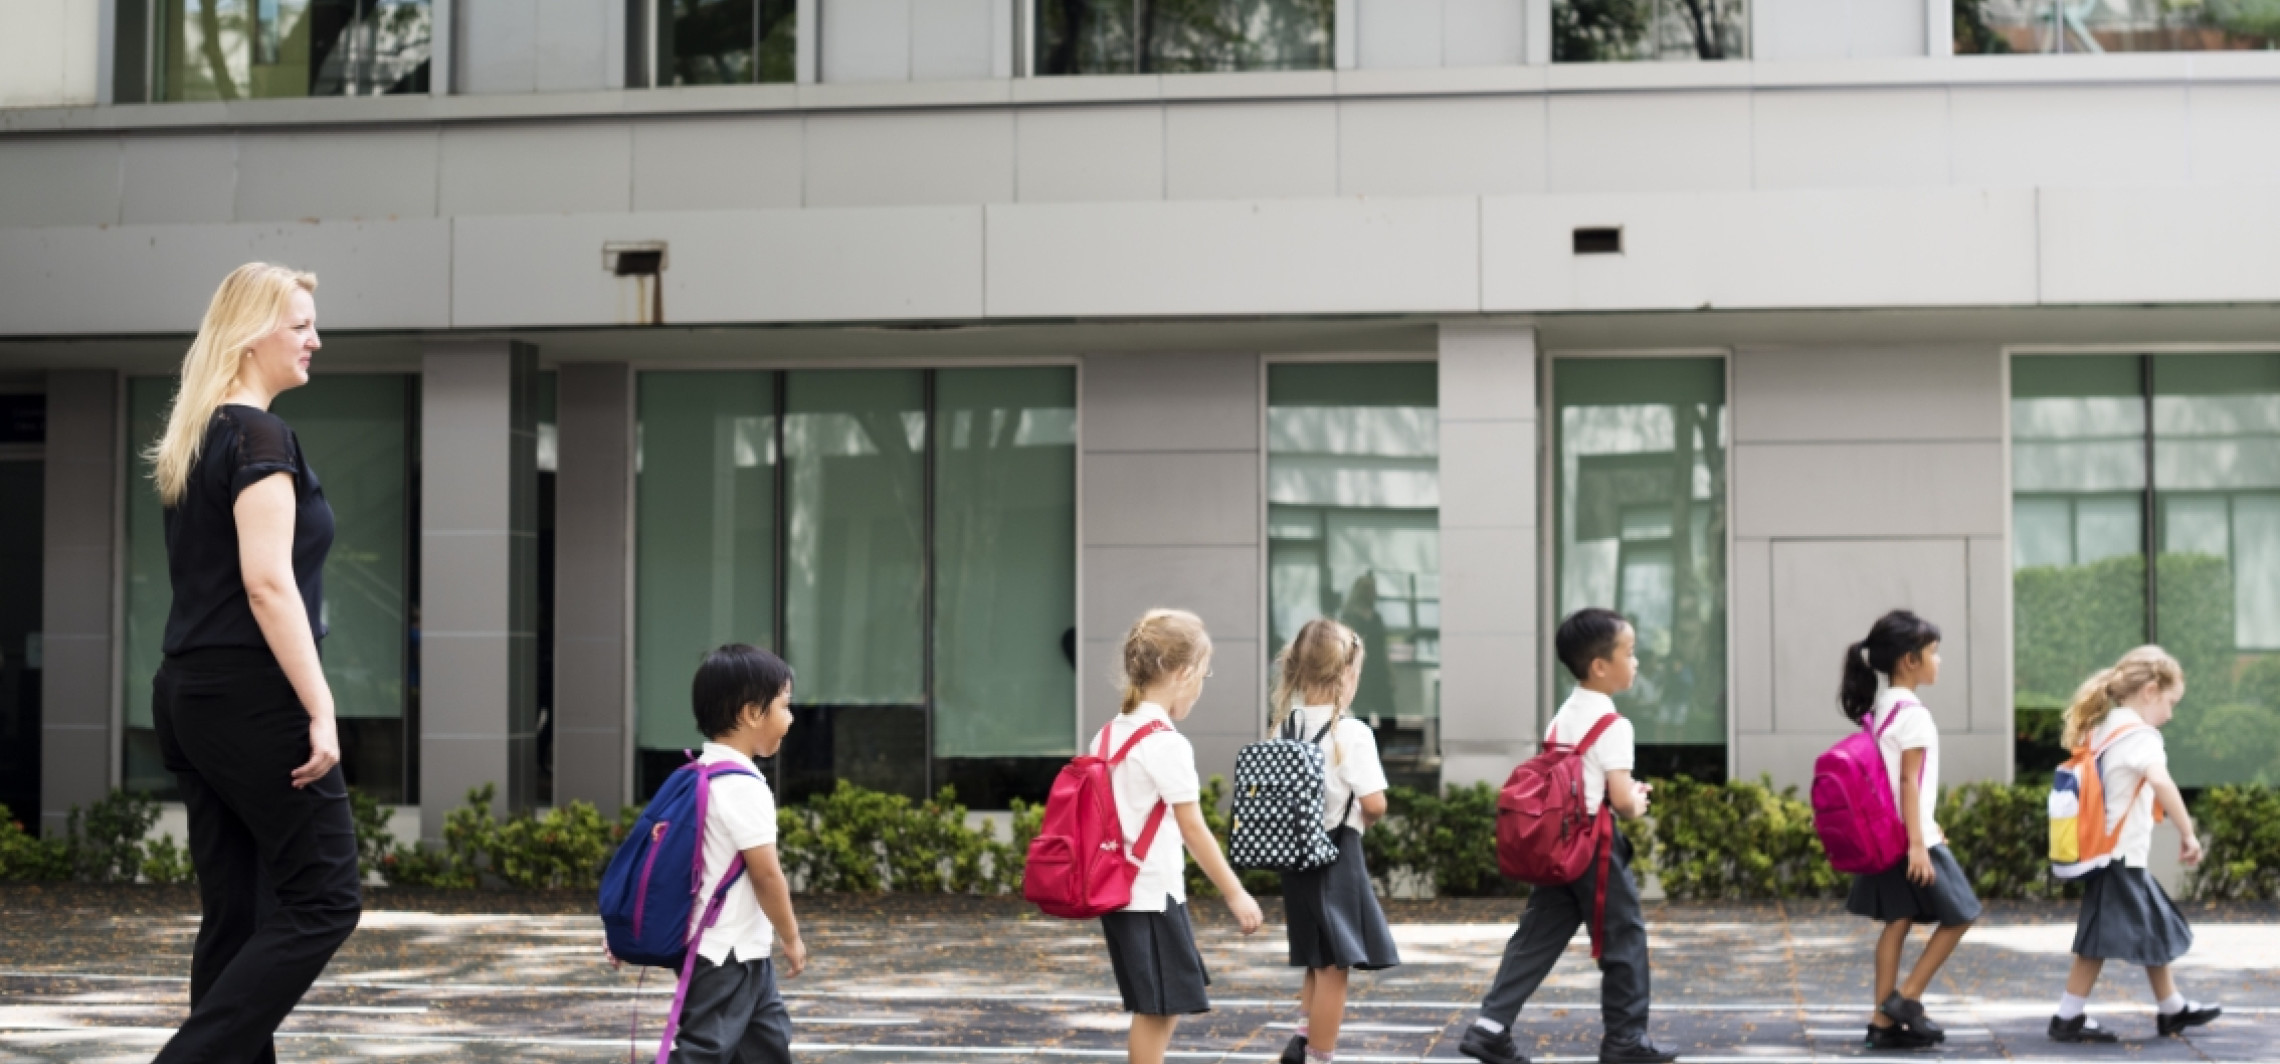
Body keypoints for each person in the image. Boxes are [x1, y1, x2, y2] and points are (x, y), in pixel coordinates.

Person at [146, 263, 362, 1063]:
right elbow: (269, 585)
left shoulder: (200, 437)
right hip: (251, 698)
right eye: (300, 323)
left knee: (238, 913)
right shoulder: (260, 437)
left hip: (190, 697)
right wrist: (321, 707)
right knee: (326, 899)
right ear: (250, 334)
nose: (316, 338)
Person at [1460, 608, 1677, 1064]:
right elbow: (1619, 800)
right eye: (1630, 653)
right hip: (1593, 842)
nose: (1635, 662)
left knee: (1537, 935)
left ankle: (1490, 1026)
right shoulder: (1615, 725)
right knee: (1624, 935)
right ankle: (1625, 1039)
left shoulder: (1565, 715)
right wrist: (1638, 800)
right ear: (1601, 665)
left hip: (1556, 841)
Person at [1096, 609, 1265, 1064]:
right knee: (1158, 1008)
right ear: (1182, 673)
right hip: (1149, 893)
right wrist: (1236, 893)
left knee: (1162, 1005)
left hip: (1121, 890)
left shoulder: (1109, 734)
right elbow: (1193, 827)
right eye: (1203, 674)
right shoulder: (1165, 742)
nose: (1202, 686)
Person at [2047, 646, 2220, 1044]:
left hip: (2110, 855)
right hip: (2119, 856)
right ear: (2151, 690)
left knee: (2151, 927)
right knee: (2098, 941)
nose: (2171, 714)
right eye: (2170, 703)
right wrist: (2188, 831)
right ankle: (2068, 1017)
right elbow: (2160, 781)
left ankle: (2171, 1008)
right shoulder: (2141, 735)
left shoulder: (2106, 728)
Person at [1838, 609, 1979, 1050]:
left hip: (1886, 834)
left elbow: (1895, 778)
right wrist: (1920, 843)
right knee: (1962, 913)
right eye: (1933, 653)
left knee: (1898, 921)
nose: (1939, 661)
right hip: (1909, 839)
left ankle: (1882, 1023)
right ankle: (1907, 999)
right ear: (1908, 661)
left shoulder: (1881, 708)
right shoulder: (1913, 712)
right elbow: (1907, 781)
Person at [1269, 618, 1401, 1064]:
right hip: (1336, 854)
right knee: (1334, 968)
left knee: (1315, 956)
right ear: (1346, 674)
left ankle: (1303, 1040)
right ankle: (1318, 1056)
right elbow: (1375, 803)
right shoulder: (1352, 733)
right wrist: (1367, 816)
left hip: (1295, 856)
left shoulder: (1284, 727)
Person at [668, 644, 806, 1064]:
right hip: (724, 953)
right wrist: (792, 936)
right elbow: (766, 876)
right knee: (704, 1052)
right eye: (784, 706)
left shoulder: (699, 773)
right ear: (751, 714)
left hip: (741, 950)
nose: (791, 718)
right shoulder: (743, 786)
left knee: (767, 1048)